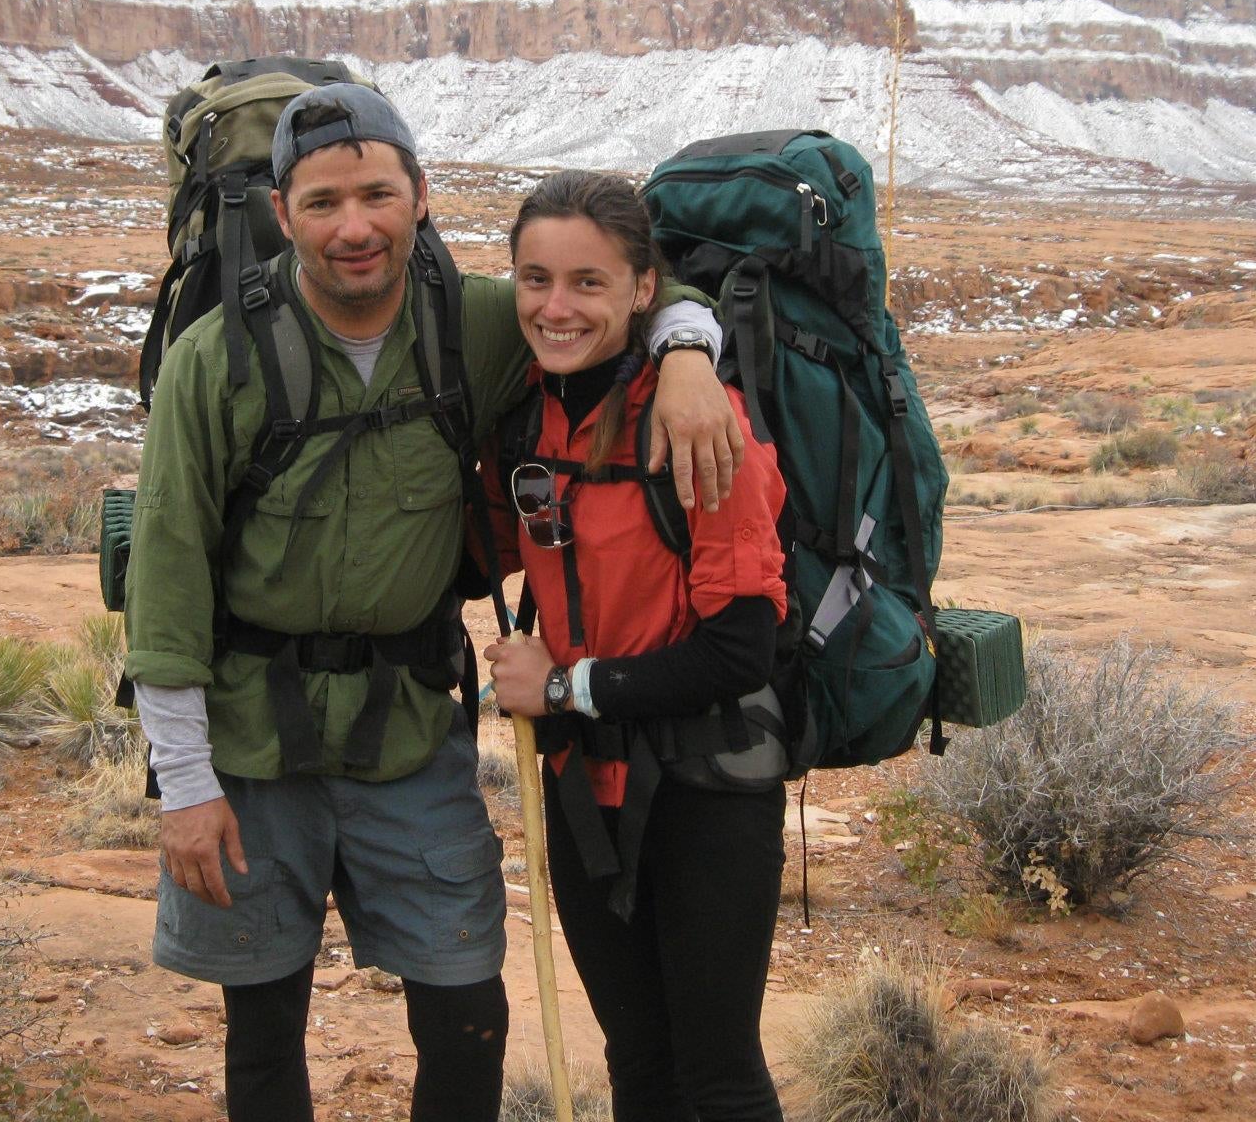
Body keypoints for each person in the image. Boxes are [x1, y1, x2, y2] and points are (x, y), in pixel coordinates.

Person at [122, 85, 744, 1122]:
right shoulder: (215, 359)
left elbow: (639, 293)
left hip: (407, 728)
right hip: (246, 738)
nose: (353, 227)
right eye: (321, 202)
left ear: (420, 195)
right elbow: (168, 577)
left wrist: (686, 356)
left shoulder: (475, 322)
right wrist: (184, 785)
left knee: (465, 1005)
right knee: (264, 1020)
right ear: (283, 214)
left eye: (376, 194)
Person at [483, 170, 790, 1122]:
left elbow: (742, 651)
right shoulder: (521, 414)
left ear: (644, 289)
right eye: (535, 280)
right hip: (584, 795)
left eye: (588, 282)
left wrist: (566, 687)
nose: (557, 307)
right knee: (641, 1067)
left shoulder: (697, 420)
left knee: (719, 1078)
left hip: (706, 794)